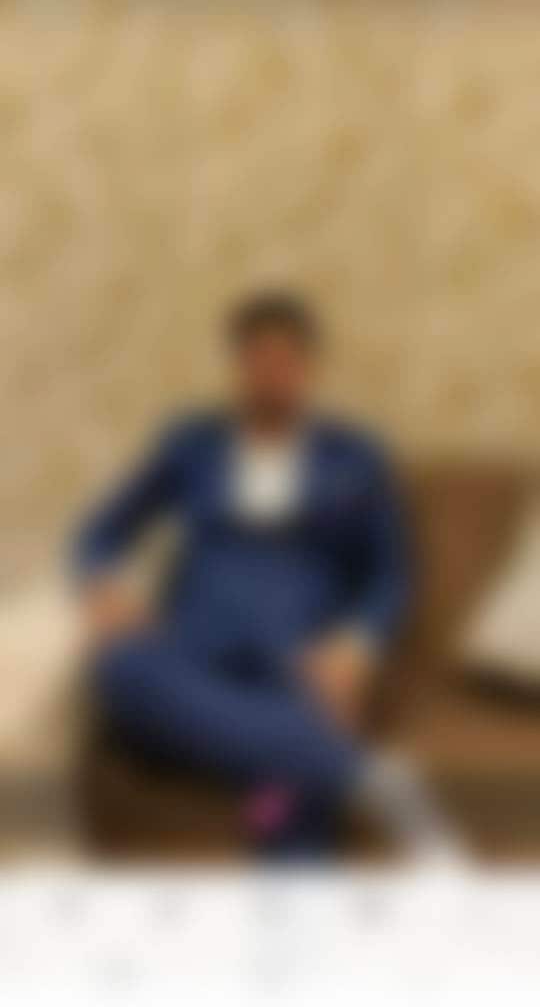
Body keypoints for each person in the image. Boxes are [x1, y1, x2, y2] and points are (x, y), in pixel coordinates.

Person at [70, 291, 457, 859]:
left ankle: (289, 788)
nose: (272, 374)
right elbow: (100, 531)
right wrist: (103, 582)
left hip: (294, 658)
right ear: (239, 366)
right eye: (258, 360)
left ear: (308, 368)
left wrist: (356, 646)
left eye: (285, 361)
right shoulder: (191, 444)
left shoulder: (356, 456)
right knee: (120, 668)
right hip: (194, 647)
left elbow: (391, 574)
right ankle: (359, 771)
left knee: (286, 794)